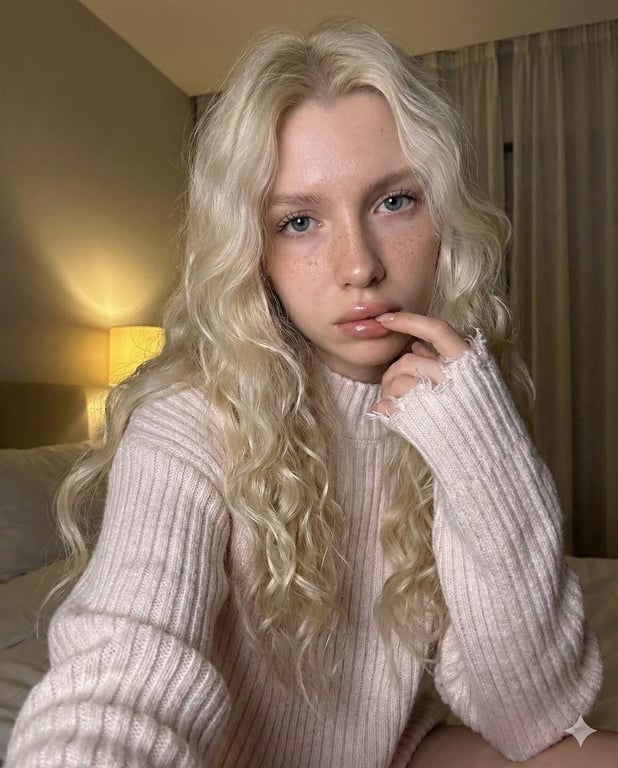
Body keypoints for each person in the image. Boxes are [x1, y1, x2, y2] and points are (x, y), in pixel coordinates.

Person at [6, 18, 616, 768]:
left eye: (395, 202)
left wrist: (483, 455)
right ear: (253, 252)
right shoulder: (188, 420)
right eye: (298, 221)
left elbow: (534, 718)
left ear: (445, 218)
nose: (359, 266)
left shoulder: (454, 407)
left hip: (396, 749)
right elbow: (122, 675)